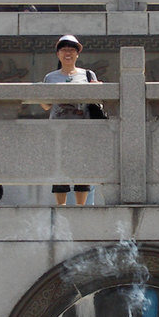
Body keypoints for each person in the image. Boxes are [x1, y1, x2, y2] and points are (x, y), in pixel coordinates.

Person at [41, 34, 98, 205]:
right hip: (58, 131)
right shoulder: (50, 77)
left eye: (72, 50)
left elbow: (98, 100)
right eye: (64, 50)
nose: (68, 53)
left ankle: (81, 208)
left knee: (82, 169)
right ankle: (61, 208)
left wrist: (97, 88)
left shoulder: (87, 75)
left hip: (82, 130)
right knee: (60, 170)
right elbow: (46, 106)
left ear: (77, 54)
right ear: (58, 54)